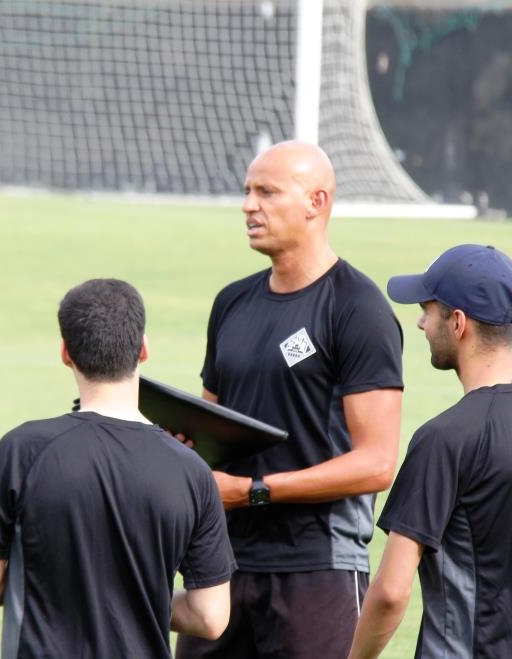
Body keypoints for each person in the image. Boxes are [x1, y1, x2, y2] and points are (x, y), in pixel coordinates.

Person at [176, 141, 405, 659]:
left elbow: (376, 464)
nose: (248, 206)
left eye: (267, 192)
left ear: (316, 202)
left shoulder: (357, 308)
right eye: (247, 191)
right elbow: (209, 431)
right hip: (223, 566)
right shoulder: (232, 302)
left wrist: (252, 492)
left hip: (317, 570)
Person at [0, 278, 236, 658]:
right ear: (143, 349)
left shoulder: (22, 450)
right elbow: (210, 616)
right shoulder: (192, 472)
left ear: (66, 353)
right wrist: (134, 598)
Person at [348, 244, 512, 658]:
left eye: (427, 310)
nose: (421, 323)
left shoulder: (443, 439)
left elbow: (390, 593)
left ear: (458, 323)